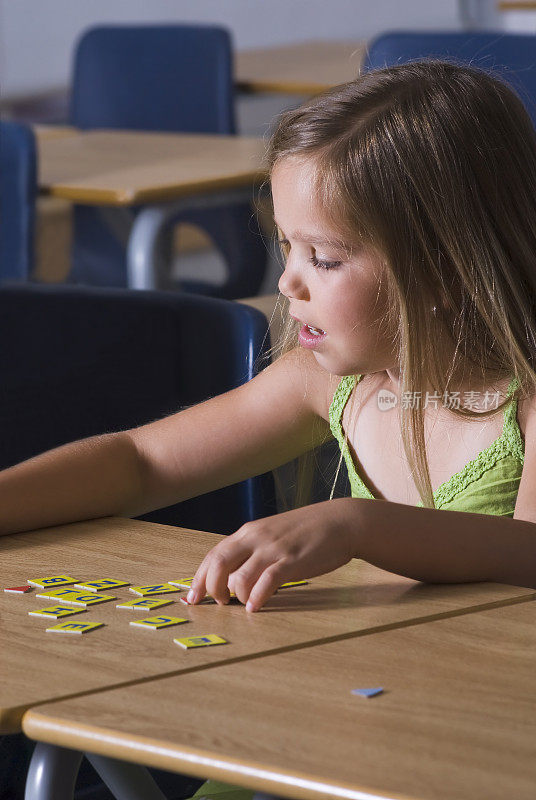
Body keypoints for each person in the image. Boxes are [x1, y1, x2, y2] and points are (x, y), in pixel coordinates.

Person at [2, 61, 536, 619]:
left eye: (324, 258)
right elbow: (141, 464)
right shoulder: (328, 381)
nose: (286, 283)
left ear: (446, 269)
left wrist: (356, 524)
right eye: (286, 245)